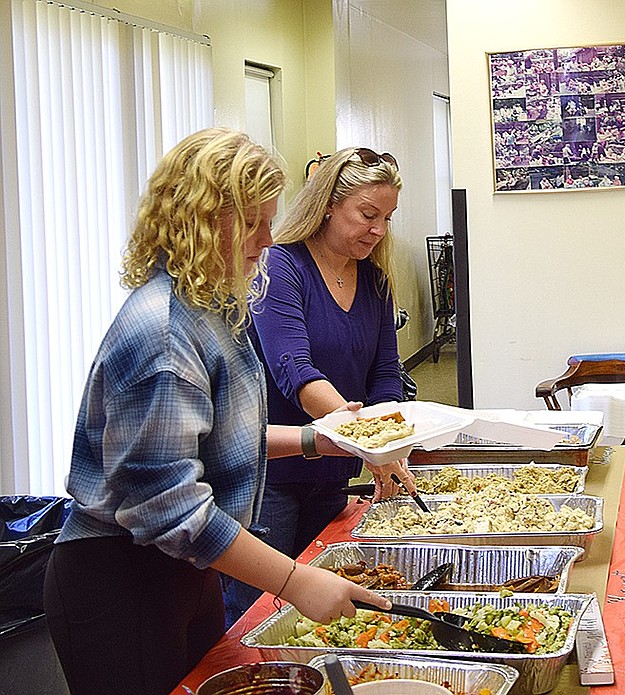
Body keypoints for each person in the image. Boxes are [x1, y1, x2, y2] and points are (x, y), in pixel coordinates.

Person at [43, 128, 391, 695]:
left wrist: (314, 441)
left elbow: (217, 441)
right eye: (253, 222)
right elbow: (169, 511)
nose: (268, 238)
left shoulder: (209, 306)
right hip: (120, 578)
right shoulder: (163, 335)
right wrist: (295, 580)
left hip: (184, 568)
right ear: (201, 220)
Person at [222, 146, 417, 623]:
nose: (379, 230)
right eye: (368, 214)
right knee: (255, 615)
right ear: (330, 202)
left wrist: (388, 437)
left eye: (388, 218)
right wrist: (367, 440)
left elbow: (386, 376)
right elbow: (296, 372)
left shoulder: (374, 281)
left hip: (331, 471)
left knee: (316, 611)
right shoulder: (280, 267)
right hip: (273, 477)